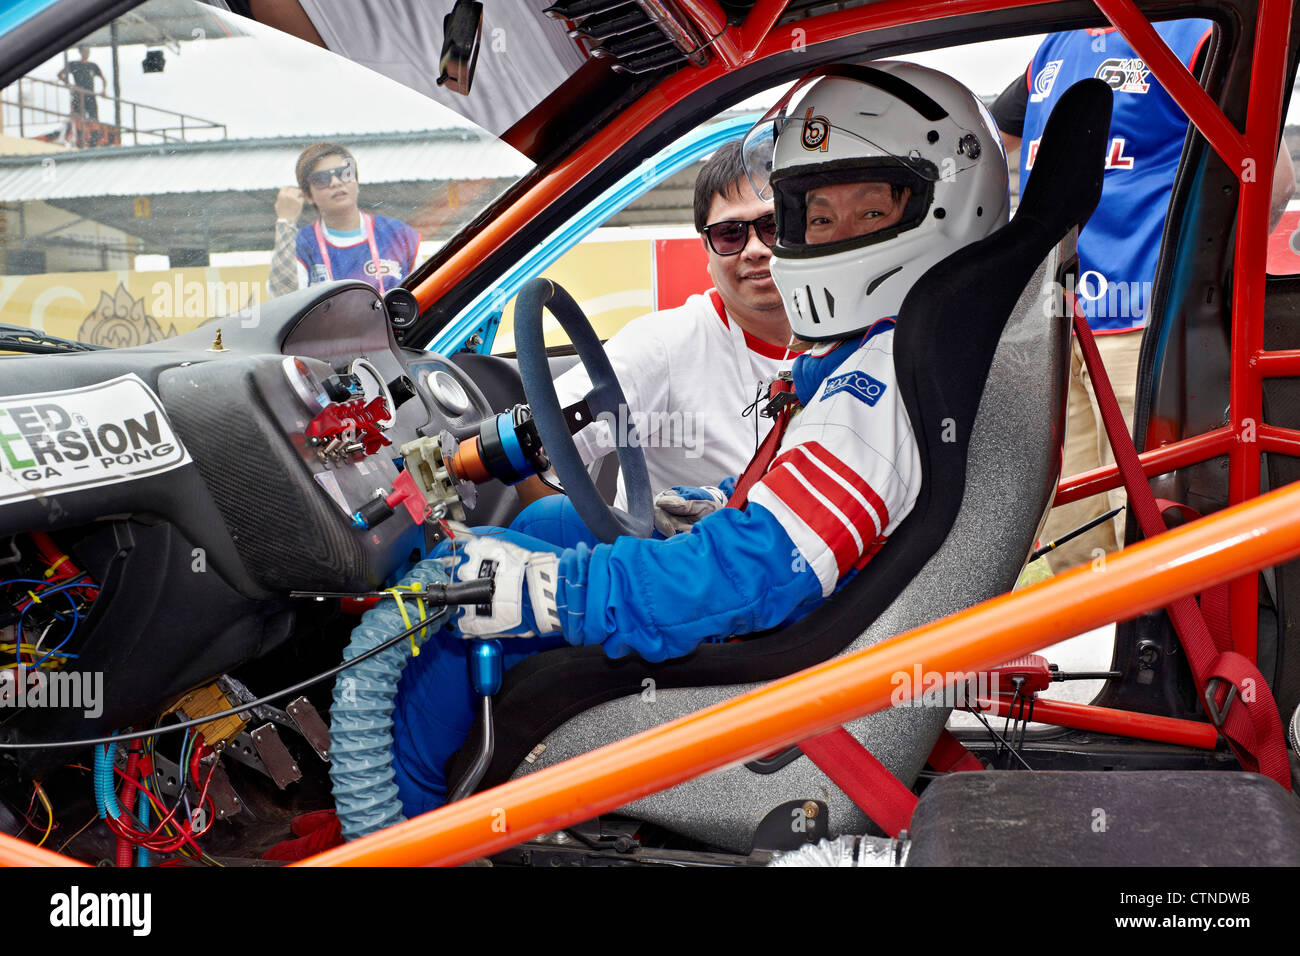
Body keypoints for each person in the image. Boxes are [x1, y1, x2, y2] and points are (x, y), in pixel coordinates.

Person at [390, 61, 1011, 813]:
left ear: (941, 205)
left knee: (444, 648)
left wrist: (562, 594)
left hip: (768, 665)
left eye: (868, 213)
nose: (821, 241)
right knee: (543, 530)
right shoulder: (892, 347)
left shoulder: (876, 376)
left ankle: (405, 830)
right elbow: (787, 529)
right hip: (796, 627)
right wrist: (721, 502)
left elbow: (759, 572)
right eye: (816, 217)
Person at [991, 22, 1295, 571]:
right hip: (1054, 324)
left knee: (1149, 533)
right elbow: (994, 143)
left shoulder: (1199, 31)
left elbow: (1272, 176)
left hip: (1143, 328)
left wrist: (1191, 277)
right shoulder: (1053, 44)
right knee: (1070, 541)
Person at [522, 142, 795, 532]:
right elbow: (530, 443)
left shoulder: (854, 344)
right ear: (706, 247)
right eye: (730, 233)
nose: (754, 249)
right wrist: (628, 553)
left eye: (772, 226)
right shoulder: (663, 346)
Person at [268, 142, 421, 297]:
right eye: (321, 179)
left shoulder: (400, 235)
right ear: (308, 195)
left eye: (345, 173)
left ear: (356, 180)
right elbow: (282, 297)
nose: (336, 182)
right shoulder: (299, 244)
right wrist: (285, 222)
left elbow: (424, 297)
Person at [56, 45, 105, 147]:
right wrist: (70, 84)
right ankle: (79, 141)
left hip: (90, 95)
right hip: (78, 95)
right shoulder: (74, 64)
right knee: (78, 117)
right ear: (80, 52)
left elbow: (103, 79)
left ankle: (94, 141)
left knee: (93, 118)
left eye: (88, 51)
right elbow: (60, 74)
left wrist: (103, 91)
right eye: (85, 51)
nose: (87, 53)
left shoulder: (93, 66)